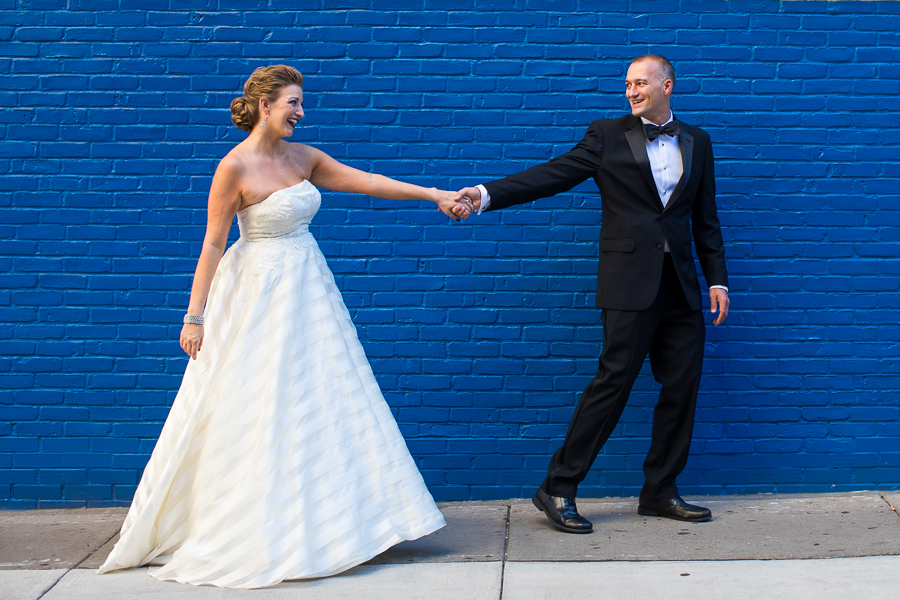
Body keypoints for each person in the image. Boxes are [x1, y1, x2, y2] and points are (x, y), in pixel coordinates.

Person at [98, 65, 469, 588]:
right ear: (265, 106)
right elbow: (211, 243)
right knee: (258, 400)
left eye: (301, 102)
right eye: (293, 102)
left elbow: (367, 182)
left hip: (308, 292)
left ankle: (332, 523)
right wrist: (195, 315)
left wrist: (432, 193)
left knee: (318, 396)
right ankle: (255, 523)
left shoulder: (304, 157)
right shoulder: (233, 167)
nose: (301, 111)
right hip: (257, 295)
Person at [454, 55, 729, 534]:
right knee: (613, 384)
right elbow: (553, 174)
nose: (631, 90)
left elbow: (705, 218)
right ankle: (558, 486)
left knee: (682, 388)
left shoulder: (698, 142)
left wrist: (717, 279)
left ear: (667, 84)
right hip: (628, 283)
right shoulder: (607, 134)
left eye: (640, 82)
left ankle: (660, 491)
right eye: (627, 84)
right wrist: (485, 194)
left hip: (681, 287)